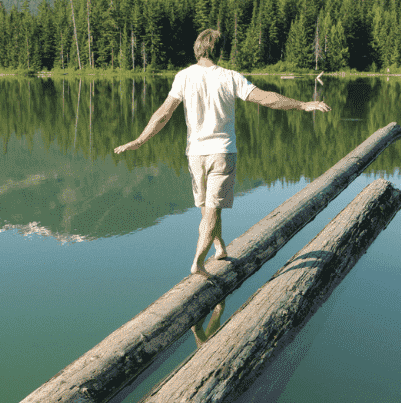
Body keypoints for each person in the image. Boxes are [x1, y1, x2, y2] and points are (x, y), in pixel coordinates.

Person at [114, 29, 331, 278]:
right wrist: (302, 104)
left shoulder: (183, 77)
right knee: (211, 209)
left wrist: (141, 140)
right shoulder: (230, 77)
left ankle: (219, 247)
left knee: (209, 208)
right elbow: (266, 99)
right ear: (219, 51)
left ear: (196, 49)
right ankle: (197, 263)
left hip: (195, 155)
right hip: (222, 152)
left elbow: (163, 113)